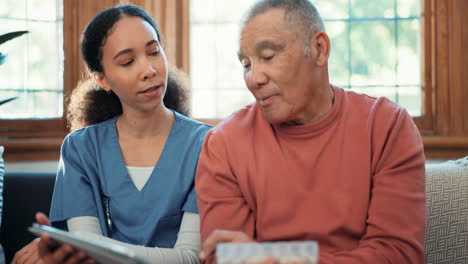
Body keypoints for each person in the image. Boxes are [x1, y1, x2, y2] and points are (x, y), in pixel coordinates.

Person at [195, 0, 426, 263]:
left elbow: (399, 255)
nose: (254, 78)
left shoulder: (387, 126)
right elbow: (226, 257)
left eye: (268, 56)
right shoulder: (224, 144)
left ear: (319, 49)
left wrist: (279, 259)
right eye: (246, 64)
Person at [12, 4, 211, 264]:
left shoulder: (206, 144)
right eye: (128, 62)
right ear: (102, 79)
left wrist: (83, 246)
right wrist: (73, 247)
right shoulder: (80, 149)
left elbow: (190, 258)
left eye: (153, 52)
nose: (149, 70)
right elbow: (86, 252)